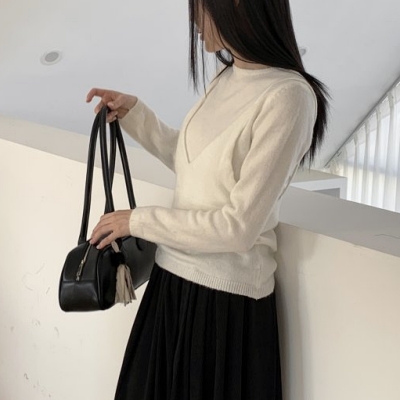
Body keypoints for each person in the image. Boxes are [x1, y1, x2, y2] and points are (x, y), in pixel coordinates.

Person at [86, 0, 331, 398]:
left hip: (223, 308)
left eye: (201, 7)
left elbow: (237, 228)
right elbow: (196, 166)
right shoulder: (227, 76)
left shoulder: (289, 97)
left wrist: (137, 221)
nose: (194, 20)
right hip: (170, 284)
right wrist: (136, 115)